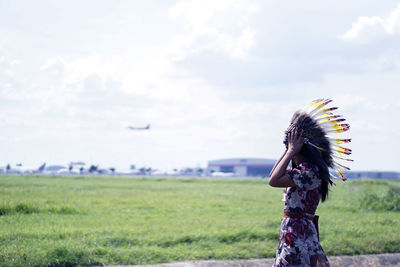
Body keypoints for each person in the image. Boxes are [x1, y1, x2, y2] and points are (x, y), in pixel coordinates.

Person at [268, 99, 352, 267]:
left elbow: (273, 180)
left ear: (301, 148)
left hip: (299, 235)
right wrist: (288, 150)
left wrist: (290, 150)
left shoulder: (309, 171)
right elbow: (273, 174)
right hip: (294, 232)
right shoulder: (305, 169)